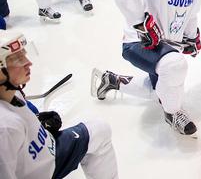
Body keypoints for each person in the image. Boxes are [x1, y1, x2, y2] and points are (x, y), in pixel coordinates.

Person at [90, 0, 201, 137]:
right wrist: (142, 25)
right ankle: (173, 114)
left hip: (168, 43)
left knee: (162, 91)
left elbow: (192, 10)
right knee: (175, 67)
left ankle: (112, 80)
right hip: (139, 41)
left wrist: (190, 36)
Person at [0, 31, 119, 178]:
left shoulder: (10, 90)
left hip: (43, 154)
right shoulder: (4, 127)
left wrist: (38, 121)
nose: (28, 62)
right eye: (17, 59)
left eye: (24, 54)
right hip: (43, 170)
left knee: (99, 131)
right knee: (100, 132)